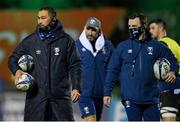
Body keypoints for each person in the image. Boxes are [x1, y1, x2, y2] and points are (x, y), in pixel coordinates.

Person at [8, 7, 82, 121]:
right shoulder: (30, 41)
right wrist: (17, 71)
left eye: (43, 18)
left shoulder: (66, 41)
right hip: (36, 100)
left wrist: (76, 87)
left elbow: (75, 65)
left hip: (60, 100)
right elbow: (12, 59)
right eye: (38, 18)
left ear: (53, 20)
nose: (39, 21)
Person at [103, 13, 179, 121]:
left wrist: (172, 71)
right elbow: (112, 70)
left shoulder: (156, 46)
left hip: (152, 99)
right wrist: (107, 92)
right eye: (129, 26)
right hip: (131, 99)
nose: (131, 29)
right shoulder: (122, 47)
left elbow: (173, 60)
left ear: (143, 26)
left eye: (134, 26)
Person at [75, 17, 114, 121]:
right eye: (88, 29)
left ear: (100, 31)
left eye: (93, 30)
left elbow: (113, 70)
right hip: (84, 93)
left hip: (100, 94)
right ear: (84, 28)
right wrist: (74, 87)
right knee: (90, 119)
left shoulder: (107, 46)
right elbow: (71, 68)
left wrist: (108, 92)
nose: (90, 33)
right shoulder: (77, 45)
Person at [149, 18, 180, 122]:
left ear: (161, 28)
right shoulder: (175, 44)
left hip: (168, 87)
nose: (150, 31)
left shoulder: (160, 45)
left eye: (153, 28)